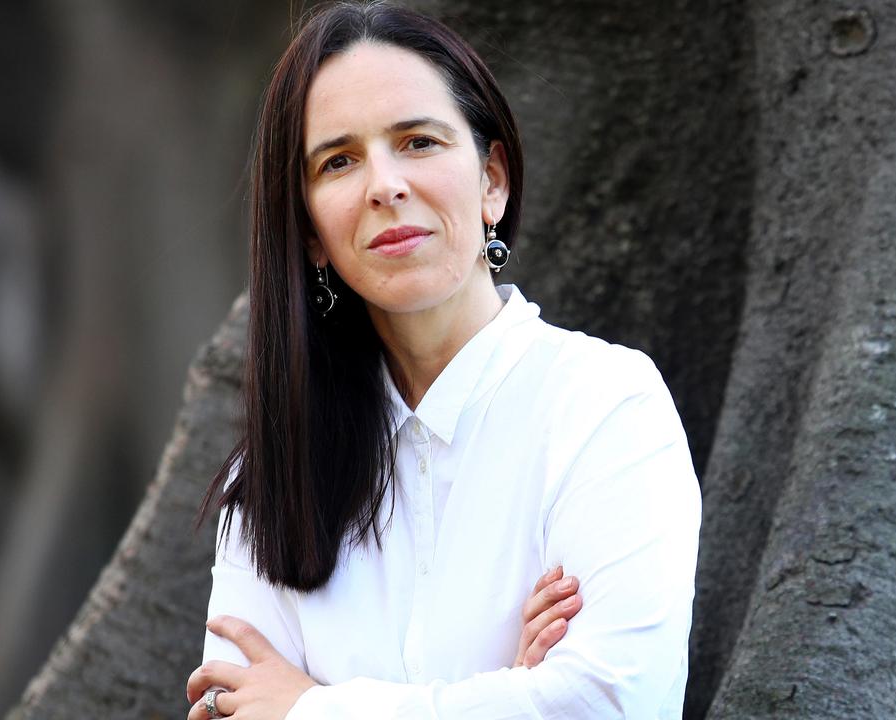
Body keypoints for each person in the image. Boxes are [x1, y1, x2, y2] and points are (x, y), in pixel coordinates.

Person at [185, 2, 701, 718]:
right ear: (309, 234)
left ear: (492, 180)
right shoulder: (272, 477)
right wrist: (513, 693)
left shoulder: (605, 406)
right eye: (339, 161)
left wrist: (309, 708)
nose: (385, 185)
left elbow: (616, 703)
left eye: (419, 142)